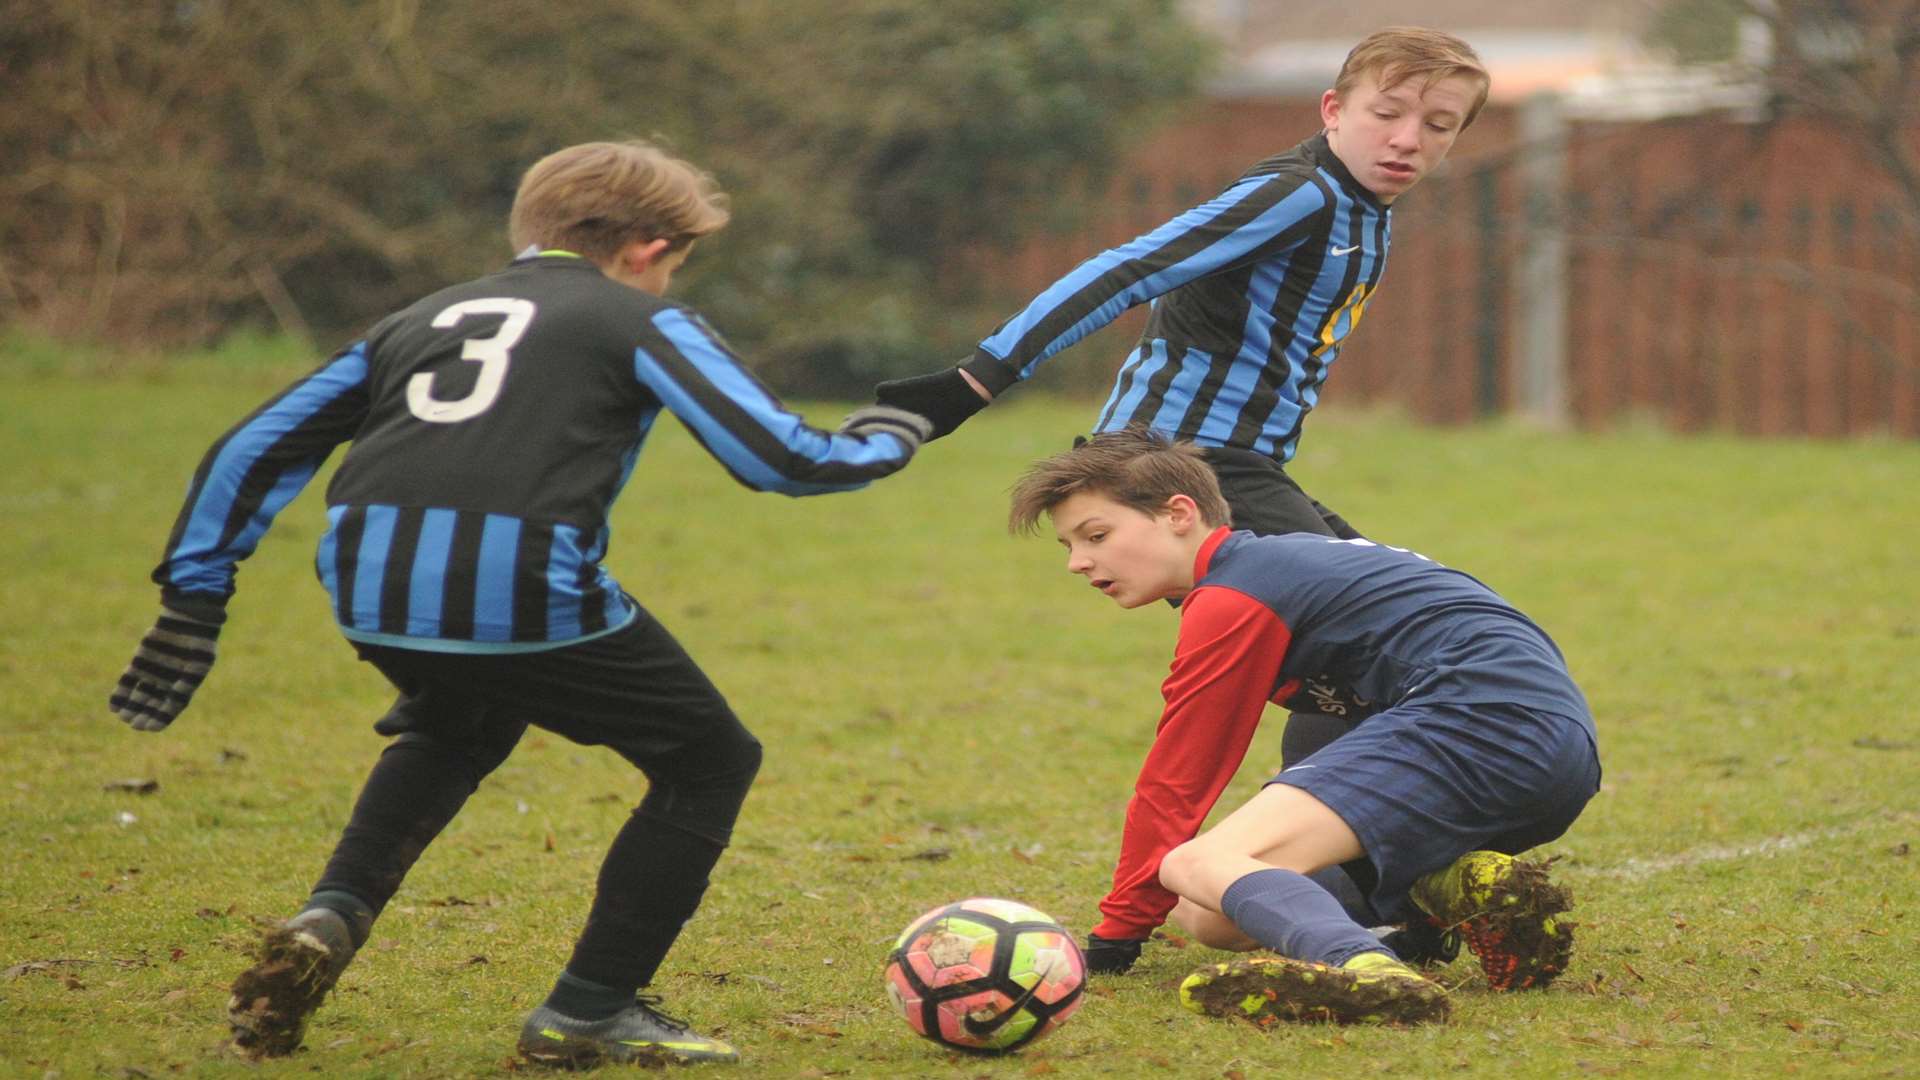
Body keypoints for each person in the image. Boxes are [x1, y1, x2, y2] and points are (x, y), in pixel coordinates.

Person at [107, 139, 933, 1067]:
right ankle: (586, 1012)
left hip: (368, 590)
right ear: (652, 248)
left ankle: (328, 917)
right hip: (523, 589)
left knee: (461, 719)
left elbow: (247, 449)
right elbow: (778, 459)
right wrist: (885, 438)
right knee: (710, 759)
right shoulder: (635, 319)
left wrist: (193, 601)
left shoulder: (418, 316)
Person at [877, 27, 1494, 968]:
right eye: (1389, 113)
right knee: (1369, 639)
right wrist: (978, 380)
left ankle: (1363, 882)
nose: (1410, 138)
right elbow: (1129, 268)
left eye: (1439, 124)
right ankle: (1355, 897)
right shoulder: (1299, 192)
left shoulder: (1369, 209)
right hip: (1188, 464)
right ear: (1334, 111)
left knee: (1389, 624)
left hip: (1247, 467)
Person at [1006, 430, 1600, 1025]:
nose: (1078, 562)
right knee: (1207, 912)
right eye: (1069, 545)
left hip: (1474, 720)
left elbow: (1179, 780)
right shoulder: (1291, 562)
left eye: (1097, 536)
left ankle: (1365, 969)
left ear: (1179, 514)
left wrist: (1116, 937)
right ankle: (1445, 890)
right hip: (1559, 750)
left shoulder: (1235, 594)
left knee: (1189, 864)